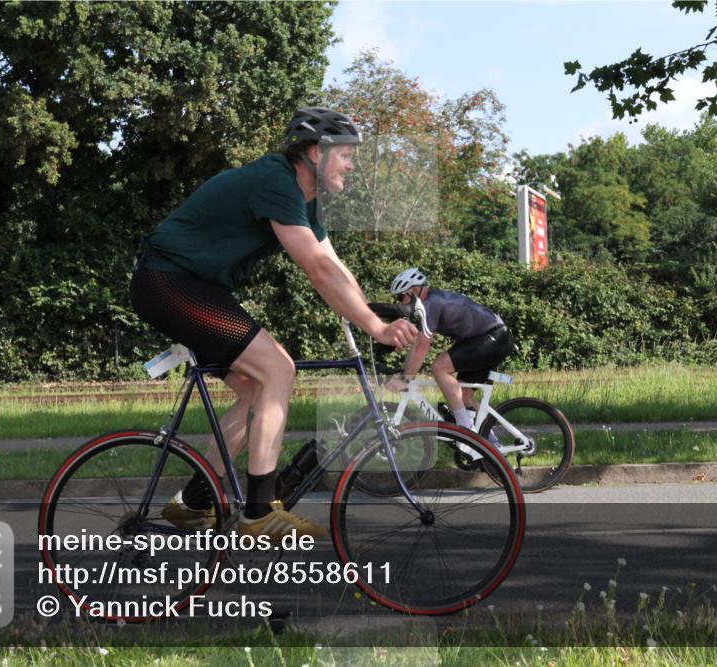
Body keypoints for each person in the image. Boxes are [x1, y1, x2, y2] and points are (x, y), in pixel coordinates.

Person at [130, 108, 417, 540]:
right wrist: (375, 328)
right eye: (345, 154)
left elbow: (334, 267)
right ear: (316, 153)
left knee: (255, 390)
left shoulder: (305, 198)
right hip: (169, 282)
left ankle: (193, 503)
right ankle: (259, 512)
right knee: (279, 368)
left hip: (191, 285)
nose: (351, 164)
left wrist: (370, 312)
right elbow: (317, 270)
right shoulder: (276, 183)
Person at [384, 268, 515, 432]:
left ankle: (465, 431)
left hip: (493, 338)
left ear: (414, 291)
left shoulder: (431, 304)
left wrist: (405, 378)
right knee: (464, 395)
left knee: (439, 367)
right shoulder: (432, 301)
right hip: (492, 338)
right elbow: (418, 341)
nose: (400, 302)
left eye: (401, 297)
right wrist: (405, 372)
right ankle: (489, 447)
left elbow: (421, 346)